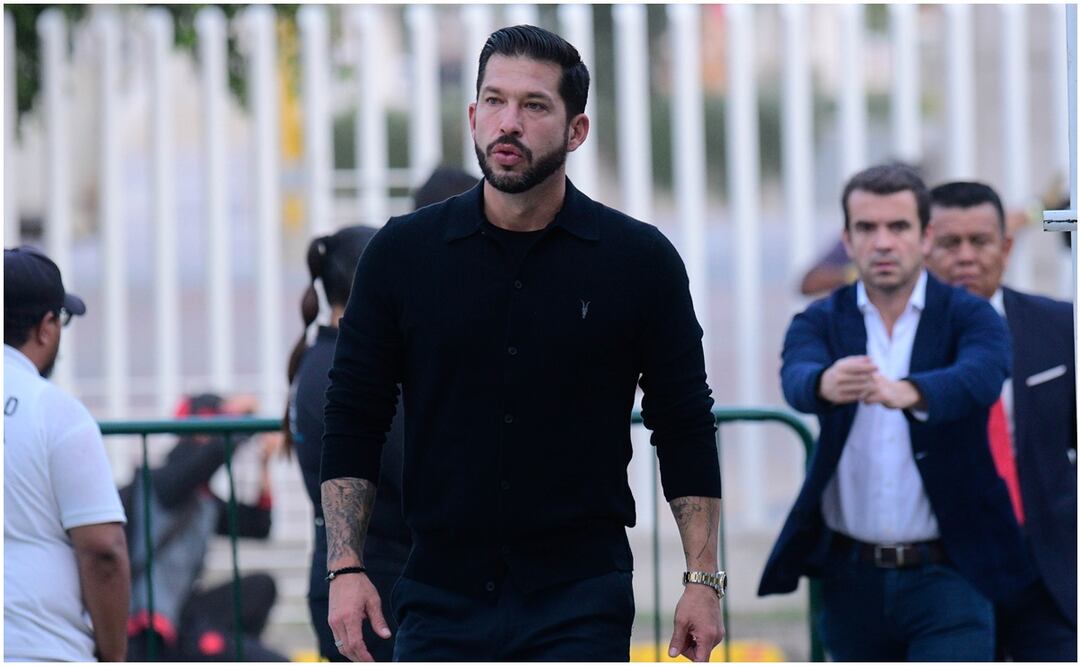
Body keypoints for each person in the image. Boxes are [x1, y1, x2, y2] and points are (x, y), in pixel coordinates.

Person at [321, 24, 725, 662]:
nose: (508, 122)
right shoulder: (401, 255)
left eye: (534, 105)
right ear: (472, 114)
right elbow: (353, 413)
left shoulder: (638, 261)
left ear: (576, 130)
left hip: (579, 598)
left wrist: (702, 580)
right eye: (495, 101)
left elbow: (684, 424)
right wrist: (344, 567)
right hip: (438, 596)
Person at [758, 164, 1036, 660]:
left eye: (899, 227)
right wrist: (825, 382)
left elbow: (985, 372)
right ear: (847, 238)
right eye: (867, 228)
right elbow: (796, 378)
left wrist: (914, 391)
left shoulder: (967, 313)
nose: (883, 243)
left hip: (951, 572)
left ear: (926, 236)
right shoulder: (821, 318)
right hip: (851, 577)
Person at [285, 168, 478, 662]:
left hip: (355, 584)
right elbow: (416, 472)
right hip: (379, 595)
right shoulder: (347, 373)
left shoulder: (315, 359)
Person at [925, 181, 1076, 661]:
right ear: (925, 247)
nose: (966, 257)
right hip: (945, 570)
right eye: (950, 243)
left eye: (981, 241)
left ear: (1006, 247)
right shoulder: (900, 337)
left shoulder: (1059, 327)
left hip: (1046, 567)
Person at [4, 245, 131, 662]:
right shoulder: (56, 413)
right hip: (40, 647)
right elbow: (104, 551)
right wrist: (113, 657)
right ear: (45, 327)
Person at [123, 393, 286, 662]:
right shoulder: (162, 482)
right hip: (151, 626)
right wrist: (238, 421)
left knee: (260, 588)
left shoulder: (202, 500)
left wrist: (264, 464)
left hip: (185, 617)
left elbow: (258, 525)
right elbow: (210, 457)